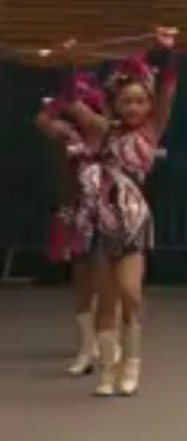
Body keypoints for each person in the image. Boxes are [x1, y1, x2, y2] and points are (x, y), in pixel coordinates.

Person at [64, 28, 179, 397]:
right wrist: (71, 60)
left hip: (132, 222)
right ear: (115, 103)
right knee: (107, 299)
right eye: (126, 101)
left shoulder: (151, 131)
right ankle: (108, 371)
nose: (133, 108)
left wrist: (165, 51)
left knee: (131, 294)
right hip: (102, 221)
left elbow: (168, 90)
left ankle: (132, 364)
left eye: (140, 102)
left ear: (149, 106)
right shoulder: (104, 130)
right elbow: (73, 103)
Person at [34, 72, 109, 376]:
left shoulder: (110, 106)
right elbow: (43, 120)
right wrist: (54, 121)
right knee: (81, 275)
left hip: (108, 204)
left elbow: (107, 126)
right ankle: (86, 347)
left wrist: (85, 113)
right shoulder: (68, 126)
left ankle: (109, 337)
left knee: (107, 275)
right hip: (76, 204)